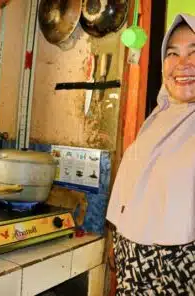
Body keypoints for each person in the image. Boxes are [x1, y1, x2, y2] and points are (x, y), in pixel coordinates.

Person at [106, 13, 195, 295]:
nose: (183, 64)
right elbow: (135, 189)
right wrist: (118, 240)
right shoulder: (157, 119)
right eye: (172, 53)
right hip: (133, 267)